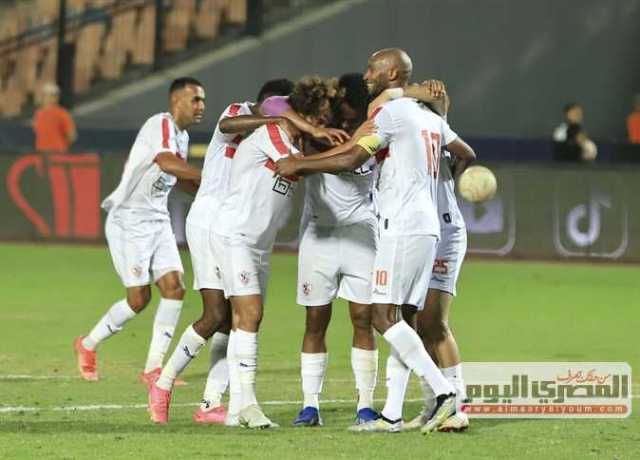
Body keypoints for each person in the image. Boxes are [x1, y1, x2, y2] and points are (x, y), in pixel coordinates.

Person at [276, 48, 476, 434]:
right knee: (401, 318)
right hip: (426, 224)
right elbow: (465, 153)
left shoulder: (392, 114)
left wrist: (298, 164)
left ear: (393, 75)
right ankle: (393, 414)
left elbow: (351, 159)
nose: (367, 75)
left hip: (401, 226)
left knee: (384, 317)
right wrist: (438, 179)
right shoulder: (427, 116)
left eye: (373, 69)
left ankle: (444, 394)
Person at [147, 79, 296, 425]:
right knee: (216, 315)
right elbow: (228, 126)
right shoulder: (239, 112)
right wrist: (272, 120)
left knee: (235, 318)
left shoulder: (277, 137)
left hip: (235, 227)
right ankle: (164, 383)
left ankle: (211, 402)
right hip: (208, 221)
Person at [74, 77, 205, 384]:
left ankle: (153, 368)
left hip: (157, 220)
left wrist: (208, 195)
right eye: (195, 99)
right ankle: (87, 344)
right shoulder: (161, 124)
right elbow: (165, 161)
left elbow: (180, 179)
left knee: (174, 287)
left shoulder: (182, 137)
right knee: (138, 298)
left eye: (203, 100)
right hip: (129, 220)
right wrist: (208, 176)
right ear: (176, 102)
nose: (201, 106)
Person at [289, 73, 379, 428]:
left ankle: (366, 405)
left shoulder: (373, 131)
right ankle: (310, 406)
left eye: (342, 101)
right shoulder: (318, 132)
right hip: (319, 235)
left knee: (364, 318)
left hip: (361, 233)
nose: (334, 108)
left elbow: (349, 160)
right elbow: (279, 109)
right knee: (315, 321)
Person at [33, 82, 77, 153]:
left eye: (48, 96)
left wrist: (62, 148)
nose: (45, 98)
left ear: (55, 98)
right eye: (43, 95)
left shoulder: (62, 114)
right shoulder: (38, 114)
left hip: (57, 155)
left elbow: (71, 136)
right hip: (41, 154)